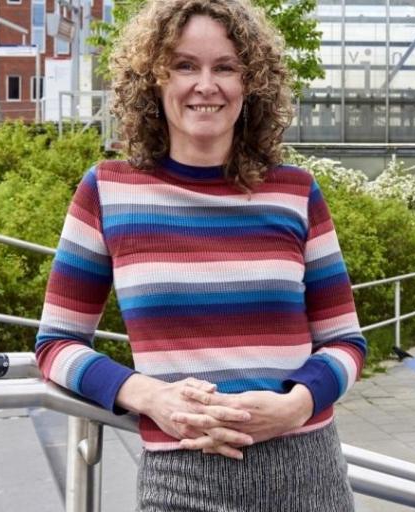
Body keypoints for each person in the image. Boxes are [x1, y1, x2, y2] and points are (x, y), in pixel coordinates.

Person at [35, 0, 367, 510]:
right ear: (154, 80)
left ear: (250, 83)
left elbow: (346, 343)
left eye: (226, 67)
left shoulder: (296, 192)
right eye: (185, 65)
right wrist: (149, 396)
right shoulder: (107, 191)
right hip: (180, 481)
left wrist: (295, 405)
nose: (205, 85)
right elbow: (56, 344)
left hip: (308, 476)